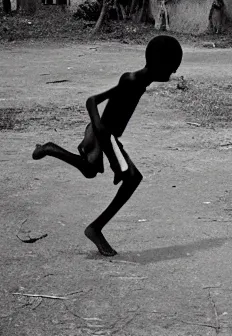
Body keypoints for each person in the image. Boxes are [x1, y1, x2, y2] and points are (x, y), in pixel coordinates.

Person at [32, 36, 183, 256]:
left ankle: (50, 149)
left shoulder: (141, 82)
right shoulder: (131, 80)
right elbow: (92, 100)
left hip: (107, 136)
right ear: (160, 64)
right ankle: (95, 228)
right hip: (102, 134)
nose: (173, 74)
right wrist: (104, 138)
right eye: (171, 68)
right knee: (131, 177)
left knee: (91, 170)